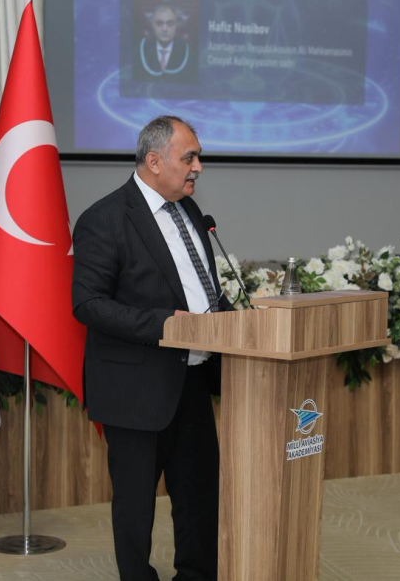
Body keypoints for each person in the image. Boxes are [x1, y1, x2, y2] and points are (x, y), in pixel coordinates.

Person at [72, 115, 233, 581]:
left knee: (199, 497)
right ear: (155, 160)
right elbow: (88, 303)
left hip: (193, 380)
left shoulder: (191, 213)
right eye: (190, 157)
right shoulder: (105, 218)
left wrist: (237, 320)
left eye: (198, 157)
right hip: (135, 387)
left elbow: (202, 291)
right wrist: (165, 325)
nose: (198, 167)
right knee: (136, 505)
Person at [135, 4, 197, 84]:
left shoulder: (189, 53)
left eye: (170, 24)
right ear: (153, 25)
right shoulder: (139, 50)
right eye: (159, 23)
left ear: (176, 26)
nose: (164, 29)